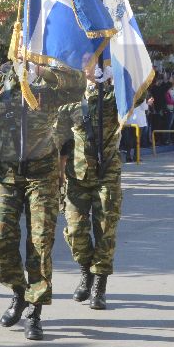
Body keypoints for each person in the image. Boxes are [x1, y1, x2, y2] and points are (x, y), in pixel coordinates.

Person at [0, 58, 85, 341]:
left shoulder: (49, 84)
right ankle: (18, 291)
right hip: (7, 176)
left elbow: (79, 86)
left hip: (42, 175)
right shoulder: (0, 86)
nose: (22, 58)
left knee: (40, 243)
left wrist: (42, 71)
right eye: (19, 54)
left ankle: (35, 310)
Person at [59, 62, 121, 310]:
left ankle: (100, 286)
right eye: (86, 63)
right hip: (77, 176)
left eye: (95, 61)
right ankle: (86, 270)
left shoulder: (113, 98)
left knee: (105, 231)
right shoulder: (71, 100)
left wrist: (120, 78)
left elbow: (138, 96)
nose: (90, 66)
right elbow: (58, 136)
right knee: (75, 231)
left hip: (107, 174)